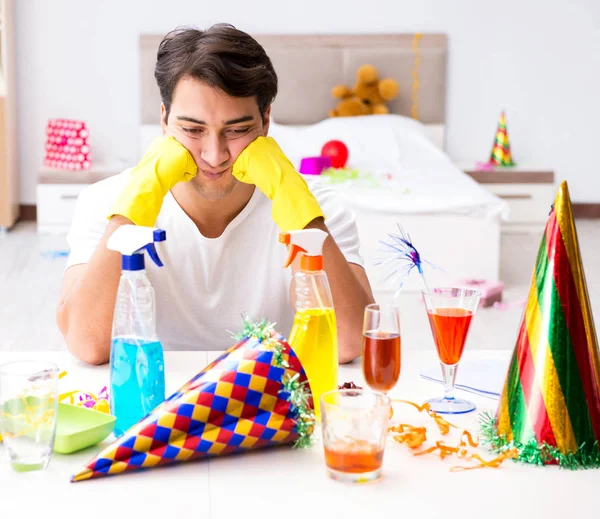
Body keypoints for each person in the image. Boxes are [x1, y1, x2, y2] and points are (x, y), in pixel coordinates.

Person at [56, 23, 375, 365]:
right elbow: (87, 343)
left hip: (271, 401)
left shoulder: (317, 208)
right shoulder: (107, 201)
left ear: (266, 122)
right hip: (157, 401)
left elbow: (347, 342)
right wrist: (133, 207)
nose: (214, 154)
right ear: (164, 121)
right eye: (193, 129)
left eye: (236, 130)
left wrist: (292, 199)